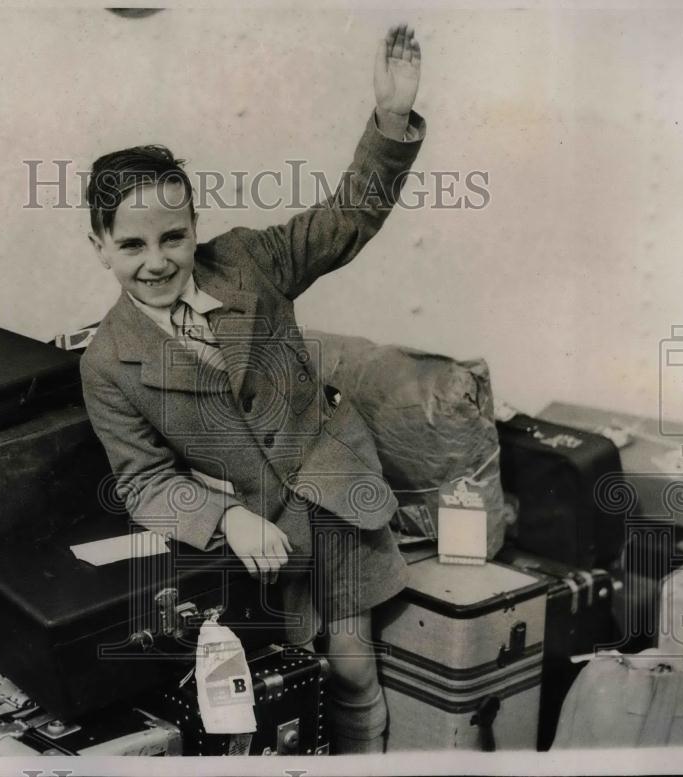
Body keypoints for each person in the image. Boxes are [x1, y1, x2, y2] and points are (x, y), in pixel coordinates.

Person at [81, 24, 424, 753]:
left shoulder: (246, 260)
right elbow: (143, 482)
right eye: (133, 245)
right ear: (99, 245)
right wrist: (225, 519)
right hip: (255, 542)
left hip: (338, 495)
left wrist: (390, 120)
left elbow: (347, 219)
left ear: (195, 227)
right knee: (273, 692)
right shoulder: (108, 360)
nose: (157, 260)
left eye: (173, 237)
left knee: (355, 667)